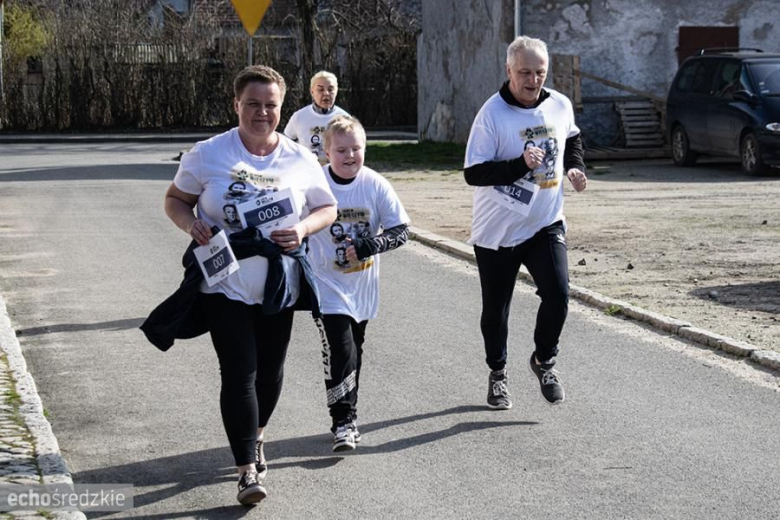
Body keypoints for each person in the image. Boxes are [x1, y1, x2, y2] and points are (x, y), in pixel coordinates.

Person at [162, 65, 337, 505]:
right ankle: (246, 470)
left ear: (281, 108)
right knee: (240, 372)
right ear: (236, 105)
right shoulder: (208, 153)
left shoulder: (300, 158)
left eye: (271, 105)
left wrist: (302, 230)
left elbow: (327, 207)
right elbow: (175, 200)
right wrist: (193, 227)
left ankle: (256, 436)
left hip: (279, 282)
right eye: (253, 104)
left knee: (271, 372)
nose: (262, 113)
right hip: (225, 281)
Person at [463, 36, 587, 410]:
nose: (533, 81)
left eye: (540, 73)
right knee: (496, 309)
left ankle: (543, 360)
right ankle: (498, 374)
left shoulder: (560, 105)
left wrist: (575, 167)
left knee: (559, 293)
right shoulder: (492, 114)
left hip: (545, 221)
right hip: (497, 230)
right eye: (525, 73)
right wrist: (521, 164)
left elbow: (572, 138)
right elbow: (474, 173)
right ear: (508, 71)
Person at [307, 115, 410, 451]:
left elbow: (401, 231)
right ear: (326, 153)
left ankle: (350, 413)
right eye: (341, 150)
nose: (350, 155)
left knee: (355, 351)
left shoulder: (375, 184)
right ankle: (343, 421)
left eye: (356, 148)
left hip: (363, 289)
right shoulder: (315, 184)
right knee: (341, 349)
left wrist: (370, 245)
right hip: (326, 286)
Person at [284, 71, 349, 164]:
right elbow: (286, 145)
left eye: (331, 89)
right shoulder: (299, 117)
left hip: (335, 174)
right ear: (312, 92)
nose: (326, 93)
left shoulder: (345, 119)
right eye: (320, 89)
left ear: (336, 91)